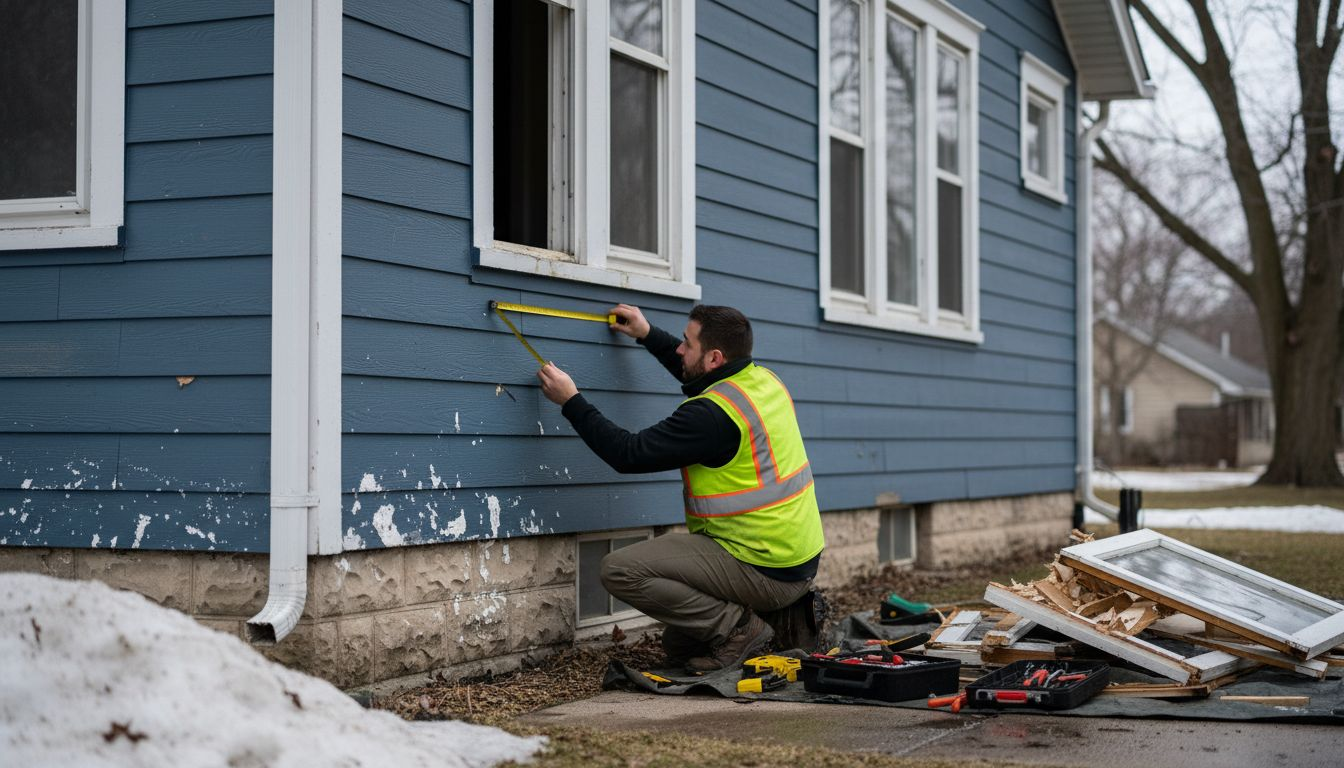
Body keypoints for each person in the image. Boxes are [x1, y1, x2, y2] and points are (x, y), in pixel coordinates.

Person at [536, 303, 825, 672]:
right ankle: (781, 618)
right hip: (793, 559)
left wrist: (571, 401)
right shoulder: (761, 381)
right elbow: (698, 374)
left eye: (687, 343)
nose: (679, 349)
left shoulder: (711, 416)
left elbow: (629, 453)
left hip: (763, 565)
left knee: (620, 570)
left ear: (715, 357)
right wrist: (646, 334)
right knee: (679, 645)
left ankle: (742, 629)